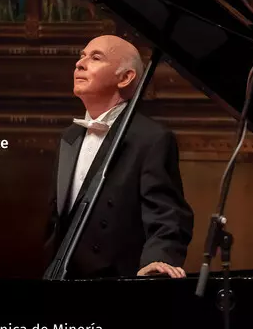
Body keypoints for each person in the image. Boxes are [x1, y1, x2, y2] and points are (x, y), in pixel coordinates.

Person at [45, 35, 194, 279]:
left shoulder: (151, 138)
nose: (80, 64)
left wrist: (158, 259)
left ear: (125, 78)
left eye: (95, 58)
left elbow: (167, 216)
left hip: (118, 284)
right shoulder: (69, 136)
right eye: (82, 56)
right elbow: (57, 220)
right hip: (64, 281)